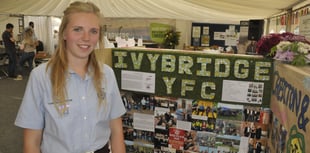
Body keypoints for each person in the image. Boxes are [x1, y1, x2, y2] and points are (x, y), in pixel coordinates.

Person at [15, 1, 126, 153]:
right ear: (64, 34)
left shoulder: (107, 74)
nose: (86, 37)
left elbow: (116, 130)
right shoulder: (41, 77)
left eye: (93, 31)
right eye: (78, 29)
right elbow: (32, 142)